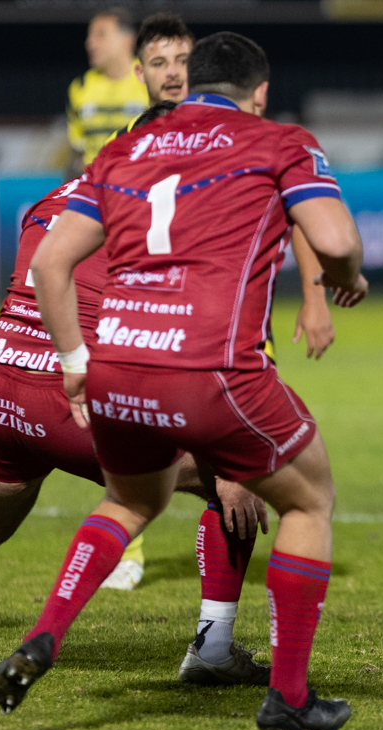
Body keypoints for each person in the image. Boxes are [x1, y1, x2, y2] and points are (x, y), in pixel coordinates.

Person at [0, 33, 367, 730]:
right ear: (259, 92)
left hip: (117, 366)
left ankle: (45, 634)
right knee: (308, 499)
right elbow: (338, 241)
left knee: (130, 499)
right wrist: (343, 280)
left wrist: (75, 359)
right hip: (210, 367)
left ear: (189, 85)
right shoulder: (279, 140)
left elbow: (49, 265)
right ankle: (288, 698)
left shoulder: (122, 150)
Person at [0, 102, 269, 688]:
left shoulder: (53, 198)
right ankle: (213, 649)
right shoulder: (161, 207)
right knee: (237, 476)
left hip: (2, 385)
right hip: (72, 398)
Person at [99, 13, 361, 592]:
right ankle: (156, 575)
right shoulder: (133, 143)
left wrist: (314, 295)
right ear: (139, 72)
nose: (173, 74)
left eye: (181, 61)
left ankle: (209, 621)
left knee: (228, 478)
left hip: (216, 325)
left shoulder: (235, 137)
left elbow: (297, 213)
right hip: (168, 331)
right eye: (160, 63)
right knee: (238, 473)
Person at [66, 7, 147, 174]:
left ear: (127, 39)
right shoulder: (81, 86)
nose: (90, 43)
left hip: (138, 182)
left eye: (100, 35)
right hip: (94, 185)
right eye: (90, 36)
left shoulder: (149, 80)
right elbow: (77, 152)